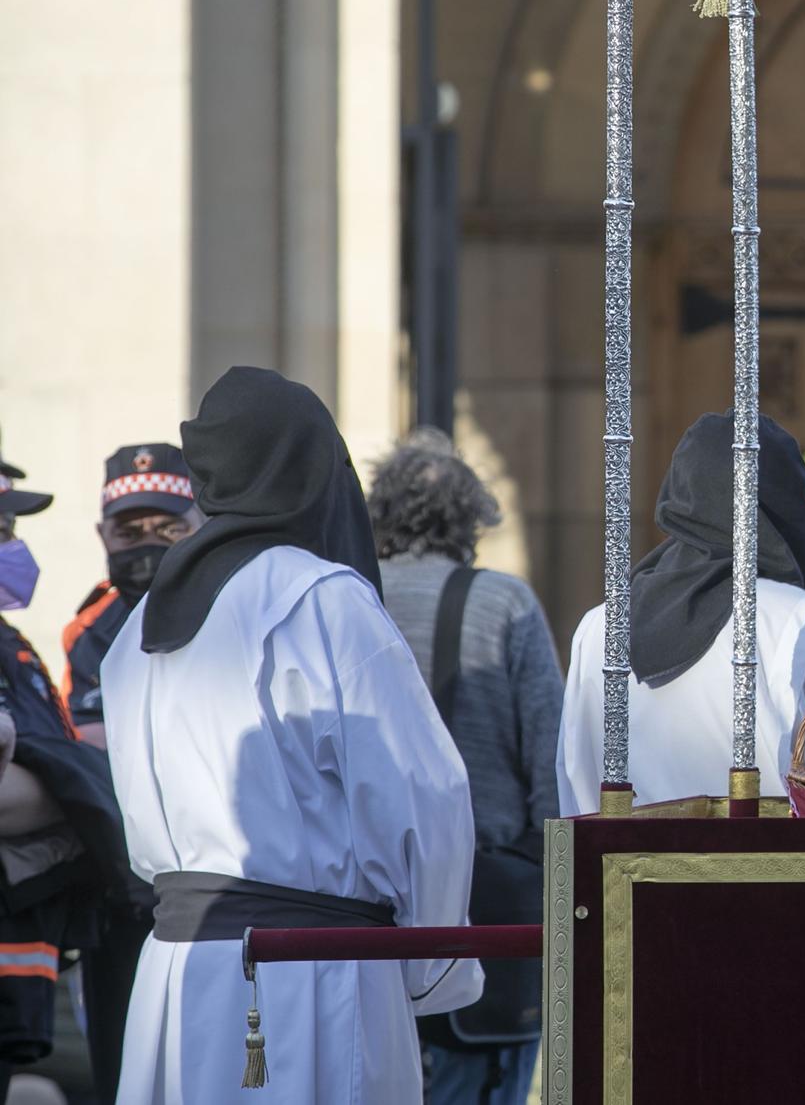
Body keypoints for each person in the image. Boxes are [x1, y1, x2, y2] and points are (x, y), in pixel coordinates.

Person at [100, 367, 482, 1103]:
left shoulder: (137, 628)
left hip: (177, 976)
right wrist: (430, 961)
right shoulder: (324, 600)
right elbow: (424, 794)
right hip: (314, 973)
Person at [558, 413, 805, 812]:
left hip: (629, 873)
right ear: (778, 503)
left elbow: (579, 797)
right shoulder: (799, 624)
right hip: (765, 873)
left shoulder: (599, 628)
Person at [368, 428, 561, 1105]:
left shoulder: (351, 598)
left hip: (367, 896)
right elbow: (550, 757)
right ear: (472, 516)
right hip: (485, 891)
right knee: (484, 1078)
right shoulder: (506, 603)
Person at [0, 442, 146, 1104]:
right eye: (2, 529)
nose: (14, 545)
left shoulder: (15, 641)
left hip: (26, 961)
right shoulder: (86, 629)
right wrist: (98, 782)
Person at [61, 444, 203, 741]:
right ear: (103, 535)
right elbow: (91, 740)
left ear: (204, 525)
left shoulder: (239, 605)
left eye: (171, 530)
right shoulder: (90, 631)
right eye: (128, 534)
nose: (149, 546)